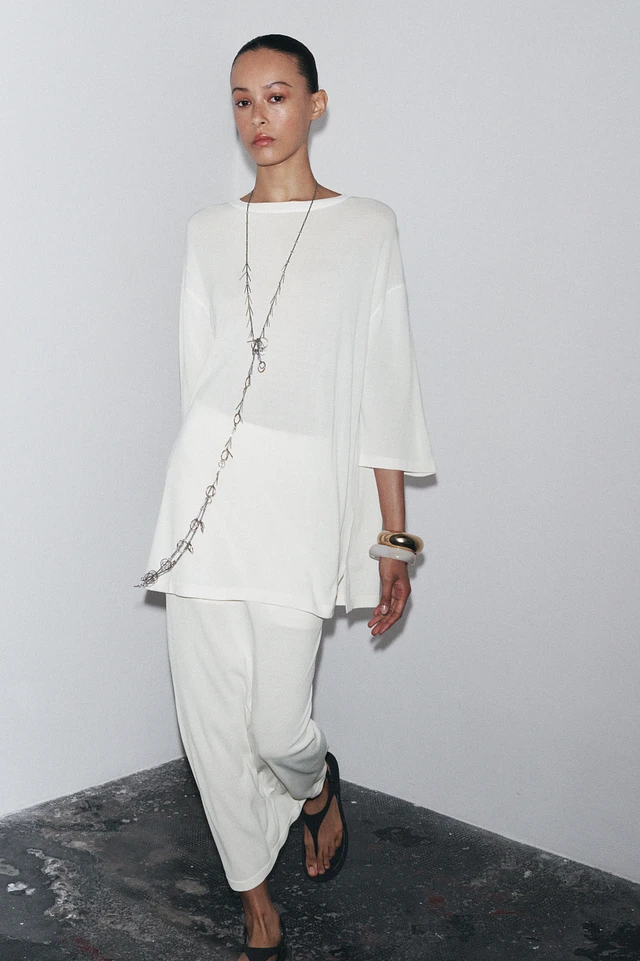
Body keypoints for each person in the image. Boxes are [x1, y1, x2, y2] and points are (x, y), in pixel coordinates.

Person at [137, 33, 436, 961]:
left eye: (275, 95)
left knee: (276, 724)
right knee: (208, 720)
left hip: (301, 505)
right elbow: (197, 381)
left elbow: (385, 388)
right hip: (207, 505)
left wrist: (394, 539)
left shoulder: (367, 227)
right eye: (241, 100)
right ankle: (255, 899)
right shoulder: (206, 231)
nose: (257, 117)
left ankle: (314, 785)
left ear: (316, 103)